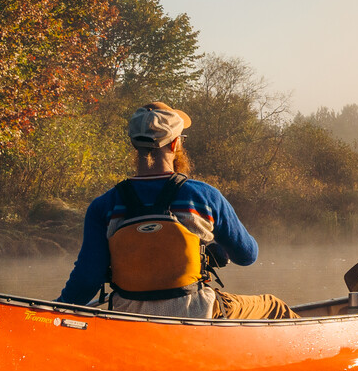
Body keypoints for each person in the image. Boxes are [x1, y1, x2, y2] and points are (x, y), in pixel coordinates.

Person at [57, 102, 298, 319]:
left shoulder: (104, 206)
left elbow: (86, 281)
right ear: (175, 143)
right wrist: (211, 246)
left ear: (134, 145)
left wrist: (49, 311)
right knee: (274, 306)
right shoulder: (204, 197)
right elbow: (247, 256)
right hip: (198, 314)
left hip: (127, 321)